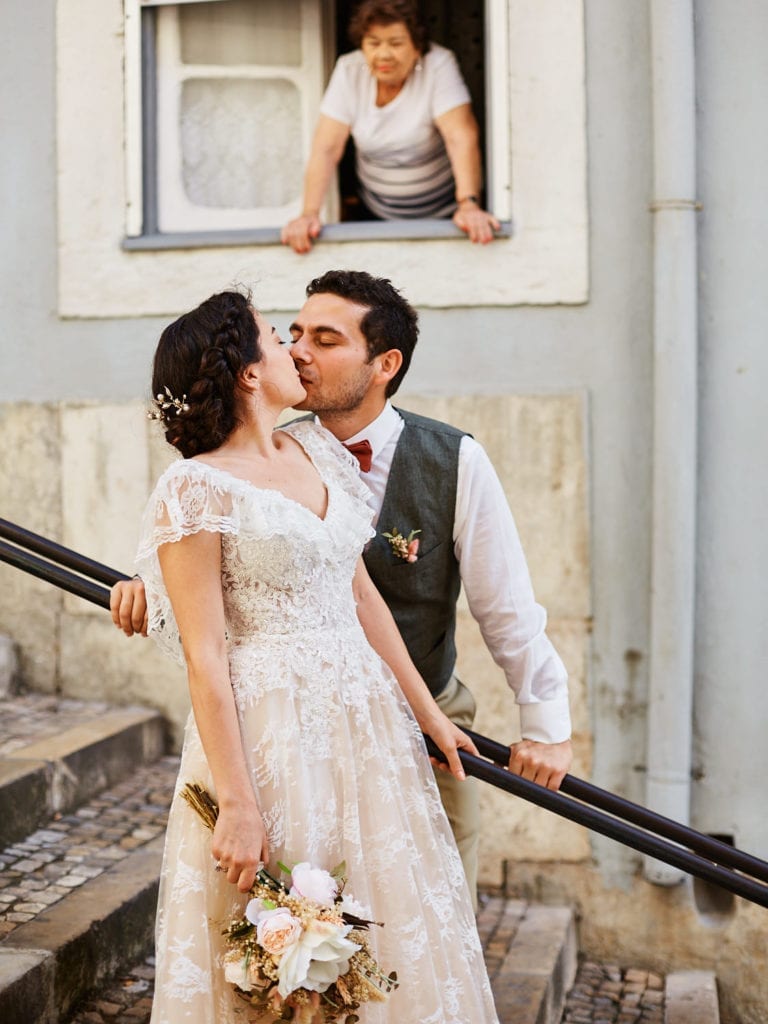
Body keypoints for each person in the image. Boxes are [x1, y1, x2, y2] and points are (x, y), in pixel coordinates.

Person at [111, 271, 573, 915]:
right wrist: (151, 582)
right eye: (290, 333)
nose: (299, 350)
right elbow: (211, 542)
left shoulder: (453, 460)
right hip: (287, 727)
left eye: (324, 339)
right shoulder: (281, 444)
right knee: (302, 916)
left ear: (384, 364)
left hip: (423, 708)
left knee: (433, 912)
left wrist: (544, 725)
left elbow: (508, 612)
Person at [133, 290, 499, 1022]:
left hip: (365, 725)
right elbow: (204, 655)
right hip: (270, 732)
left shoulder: (317, 451)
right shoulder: (193, 488)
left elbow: (362, 598)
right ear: (245, 372)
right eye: (277, 337)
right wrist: (237, 803)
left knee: (386, 919)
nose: (294, 351)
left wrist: (428, 714)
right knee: (283, 958)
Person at [280, 0, 500, 253]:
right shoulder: (349, 70)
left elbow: (460, 136)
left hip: (446, 216)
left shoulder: (438, 65)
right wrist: (309, 213)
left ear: (417, 47)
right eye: (373, 43)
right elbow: (326, 147)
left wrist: (469, 204)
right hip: (374, 213)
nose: (383, 54)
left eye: (396, 43)